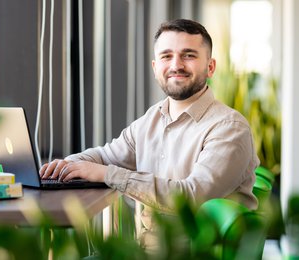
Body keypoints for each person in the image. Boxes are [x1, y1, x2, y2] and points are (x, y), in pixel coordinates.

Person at [40, 18, 259, 250]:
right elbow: (105, 156)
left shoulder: (229, 127)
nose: (176, 65)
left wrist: (109, 174)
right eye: (166, 56)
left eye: (189, 55)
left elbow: (192, 196)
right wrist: (63, 167)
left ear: (211, 66)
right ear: (155, 68)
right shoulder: (151, 119)